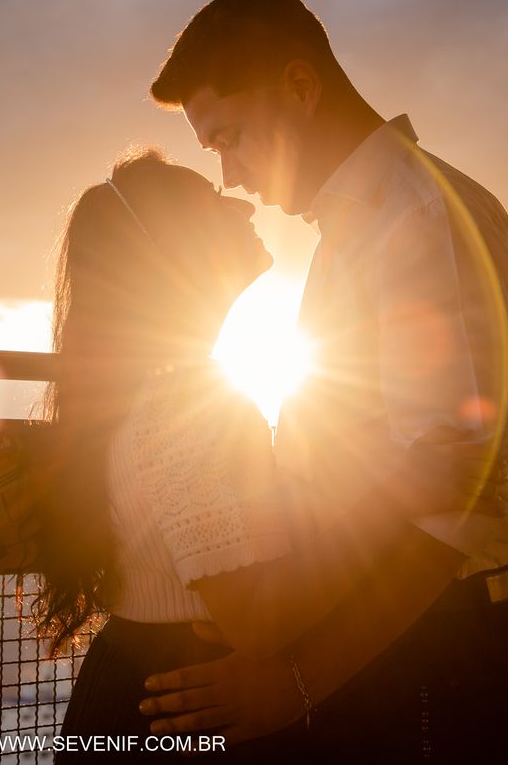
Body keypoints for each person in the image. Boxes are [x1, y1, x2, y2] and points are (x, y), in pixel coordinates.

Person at [138, 0, 508, 761]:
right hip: (399, 638)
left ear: (301, 87)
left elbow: (456, 513)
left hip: (432, 648)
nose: (231, 174)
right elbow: (415, 472)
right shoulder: (368, 220)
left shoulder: (414, 219)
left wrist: (297, 681)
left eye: (230, 136)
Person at [30, 149, 488, 762]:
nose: (241, 200)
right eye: (211, 202)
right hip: (194, 709)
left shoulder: (146, 389)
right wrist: (405, 489)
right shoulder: (185, 402)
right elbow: (258, 621)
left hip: (145, 695)